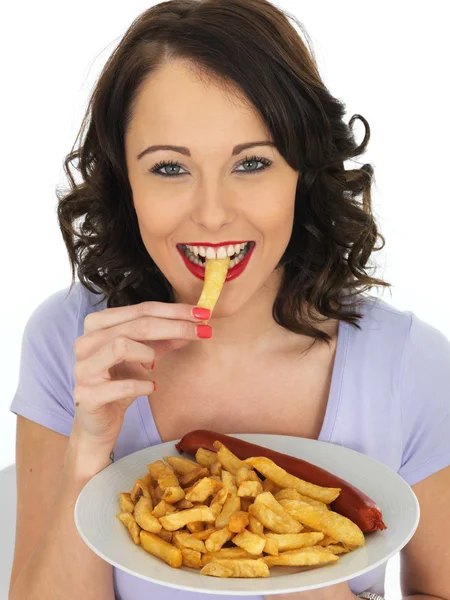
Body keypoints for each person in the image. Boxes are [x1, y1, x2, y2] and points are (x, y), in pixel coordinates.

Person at [8, 1, 450, 599]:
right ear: (125, 183)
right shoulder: (70, 341)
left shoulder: (412, 364)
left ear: (303, 170)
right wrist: (89, 451)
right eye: (169, 168)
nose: (213, 215)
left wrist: (295, 561)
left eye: (252, 162)